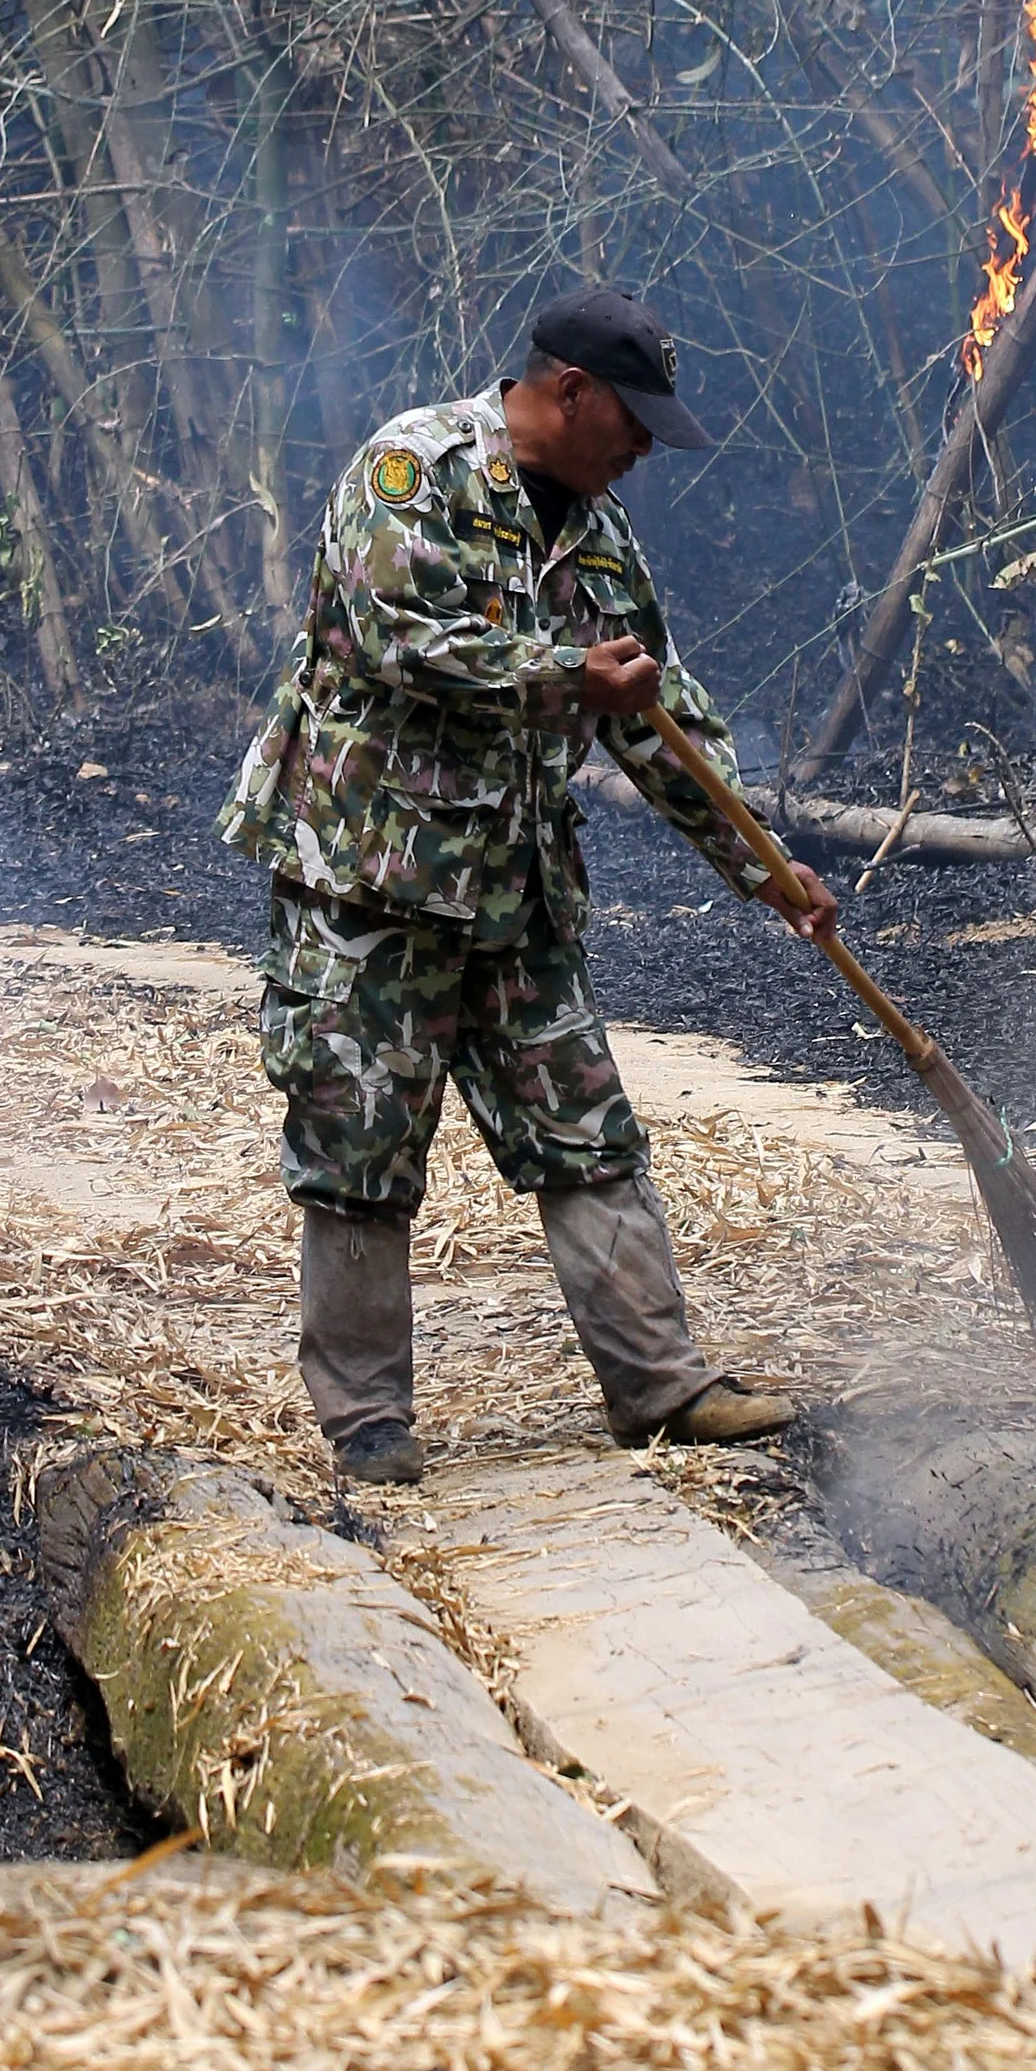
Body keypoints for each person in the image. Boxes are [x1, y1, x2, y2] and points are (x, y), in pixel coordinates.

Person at [219, 281, 839, 1485]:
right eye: (636, 421)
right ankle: (367, 1426)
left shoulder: (597, 536)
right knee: (359, 1144)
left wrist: (758, 863)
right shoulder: (414, 470)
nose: (648, 448)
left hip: (515, 895)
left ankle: (661, 1388)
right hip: (370, 881)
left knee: (587, 1131)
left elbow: (653, 711)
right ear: (570, 391)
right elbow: (399, 639)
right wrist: (569, 677)